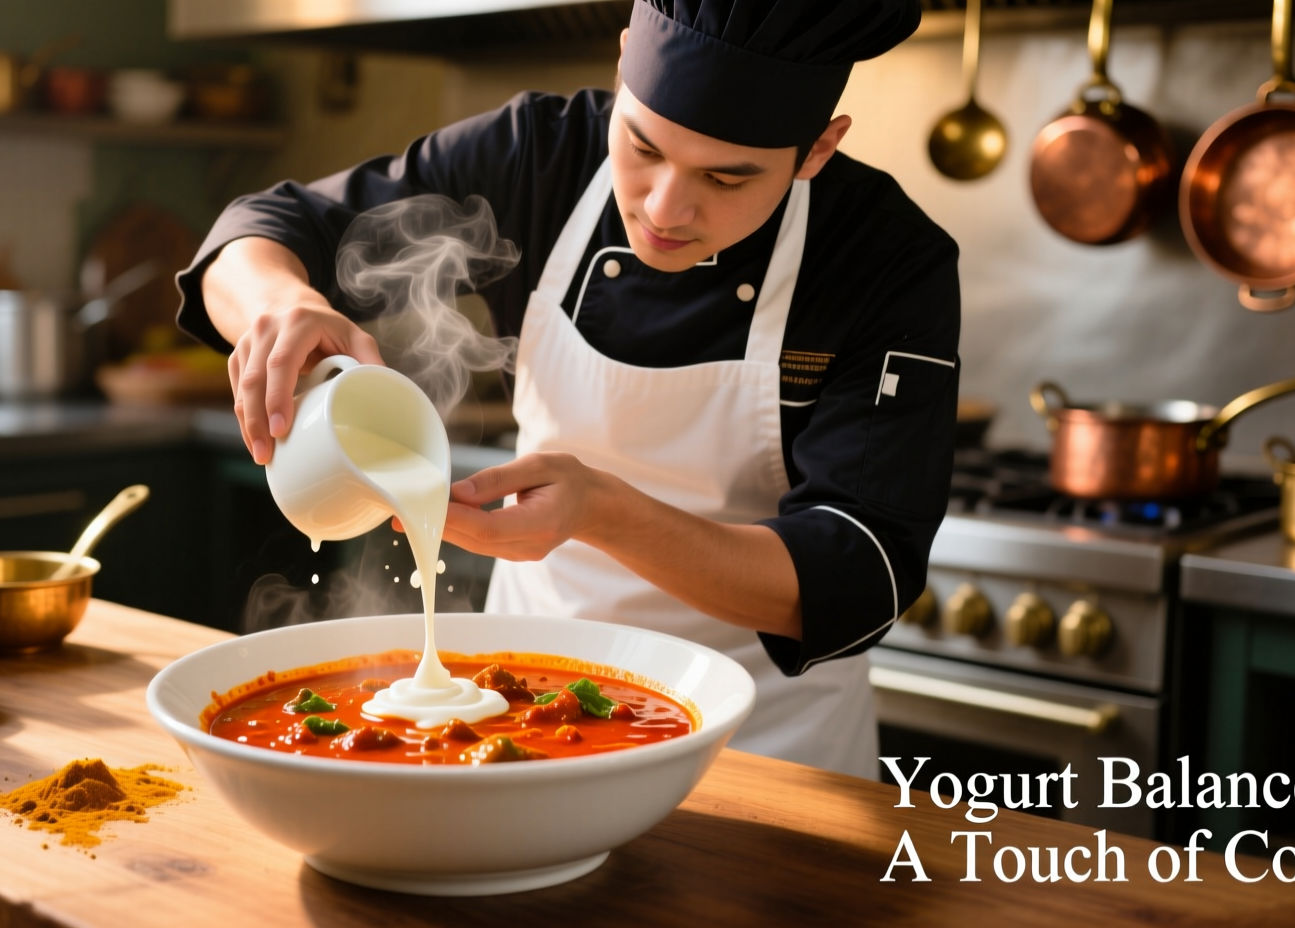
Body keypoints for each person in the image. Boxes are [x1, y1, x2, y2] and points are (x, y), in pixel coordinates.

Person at [176, 0, 958, 779]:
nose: (663, 209)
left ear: (817, 148)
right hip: (517, 713)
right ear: (623, 63)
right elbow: (265, 225)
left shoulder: (886, 259)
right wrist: (281, 303)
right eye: (642, 146)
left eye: (727, 177)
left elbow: (859, 574)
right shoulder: (539, 156)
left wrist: (601, 512)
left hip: (774, 750)